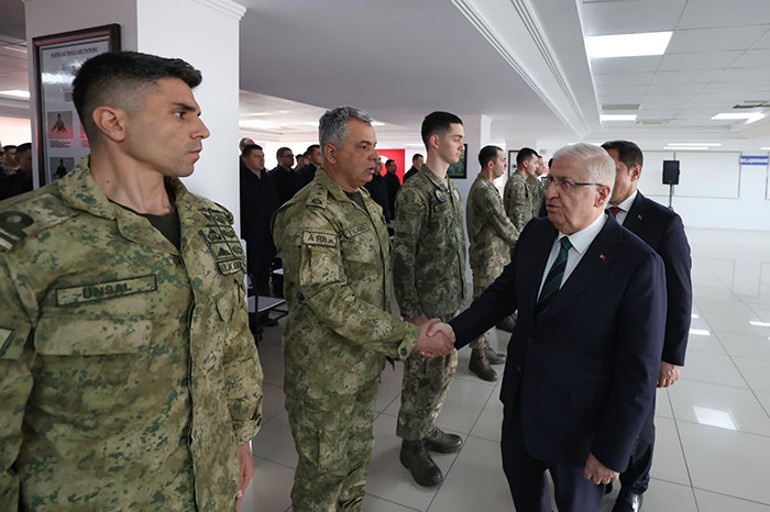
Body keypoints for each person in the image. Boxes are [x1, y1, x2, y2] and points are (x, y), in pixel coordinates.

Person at [0, 51, 264, 511]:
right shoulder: (26, 240)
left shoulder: (211, 223)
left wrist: (239, 437)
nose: (201, 130)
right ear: (113, 123)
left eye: (197, 115)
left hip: (211, 482)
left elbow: (233, 344)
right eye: (181, 113)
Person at [432, 143, 667, 512]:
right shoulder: (537, 234)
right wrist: (454, 332)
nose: (551, 192)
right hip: (522, 408)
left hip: (580, 430)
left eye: (565, 184)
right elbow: (502, 294)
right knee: (526, 498)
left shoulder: (637, 263)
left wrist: (612, 451)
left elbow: (638, 370)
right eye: (551, 180)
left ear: (601, 194)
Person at [272, 105, 454, 511]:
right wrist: (409, 337)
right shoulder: (312, 211)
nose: (375, 155)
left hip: (361, 362)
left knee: (354, 462)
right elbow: (331, 299)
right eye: (364, 146)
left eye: (374, 146)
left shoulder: (365, 204)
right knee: (323, 474)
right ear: (332, 153)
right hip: (324, 374)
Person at [601, 140, 693, 512]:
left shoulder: (662, 222)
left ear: (634, 172)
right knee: (597, 407)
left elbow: (680, 292)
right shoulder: (591, 211)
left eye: (611, 170)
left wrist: (671, 356)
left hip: (640, 343)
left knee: (637, 418)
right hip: (595, 338)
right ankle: (602, 469)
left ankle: (634, 484)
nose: (602, 179)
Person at [392, 111, 467, 487]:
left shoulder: (448, 187)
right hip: (427, 310)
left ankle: (425, 427)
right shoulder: (415, 192)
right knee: (421, 378)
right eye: (456, 138)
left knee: (440, 376)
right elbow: (402, 256)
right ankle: (411, 444)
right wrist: (413, 314)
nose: (462, 145)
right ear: (434, 141)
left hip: (450, 302)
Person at [465, 145, 517, 381]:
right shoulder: (484, 190)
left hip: (494, 258)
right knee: (482, 308)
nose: (506, 164)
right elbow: (502, 223)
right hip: (487, 259)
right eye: (503, 160)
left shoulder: (488, 187)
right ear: (490, 164)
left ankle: (484, 349)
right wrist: (524, 242)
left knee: (489, 307)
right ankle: (478, 357)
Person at [240, 143, 280, 309]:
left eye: (262, 156)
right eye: (257, 156)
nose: (261, 160)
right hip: (250, 238)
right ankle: (253, 319)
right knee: (252, 279)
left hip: (267, 237)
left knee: (263, 278)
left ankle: (264, 315)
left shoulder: (268, 179)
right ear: (245, 159)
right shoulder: (240, 181)